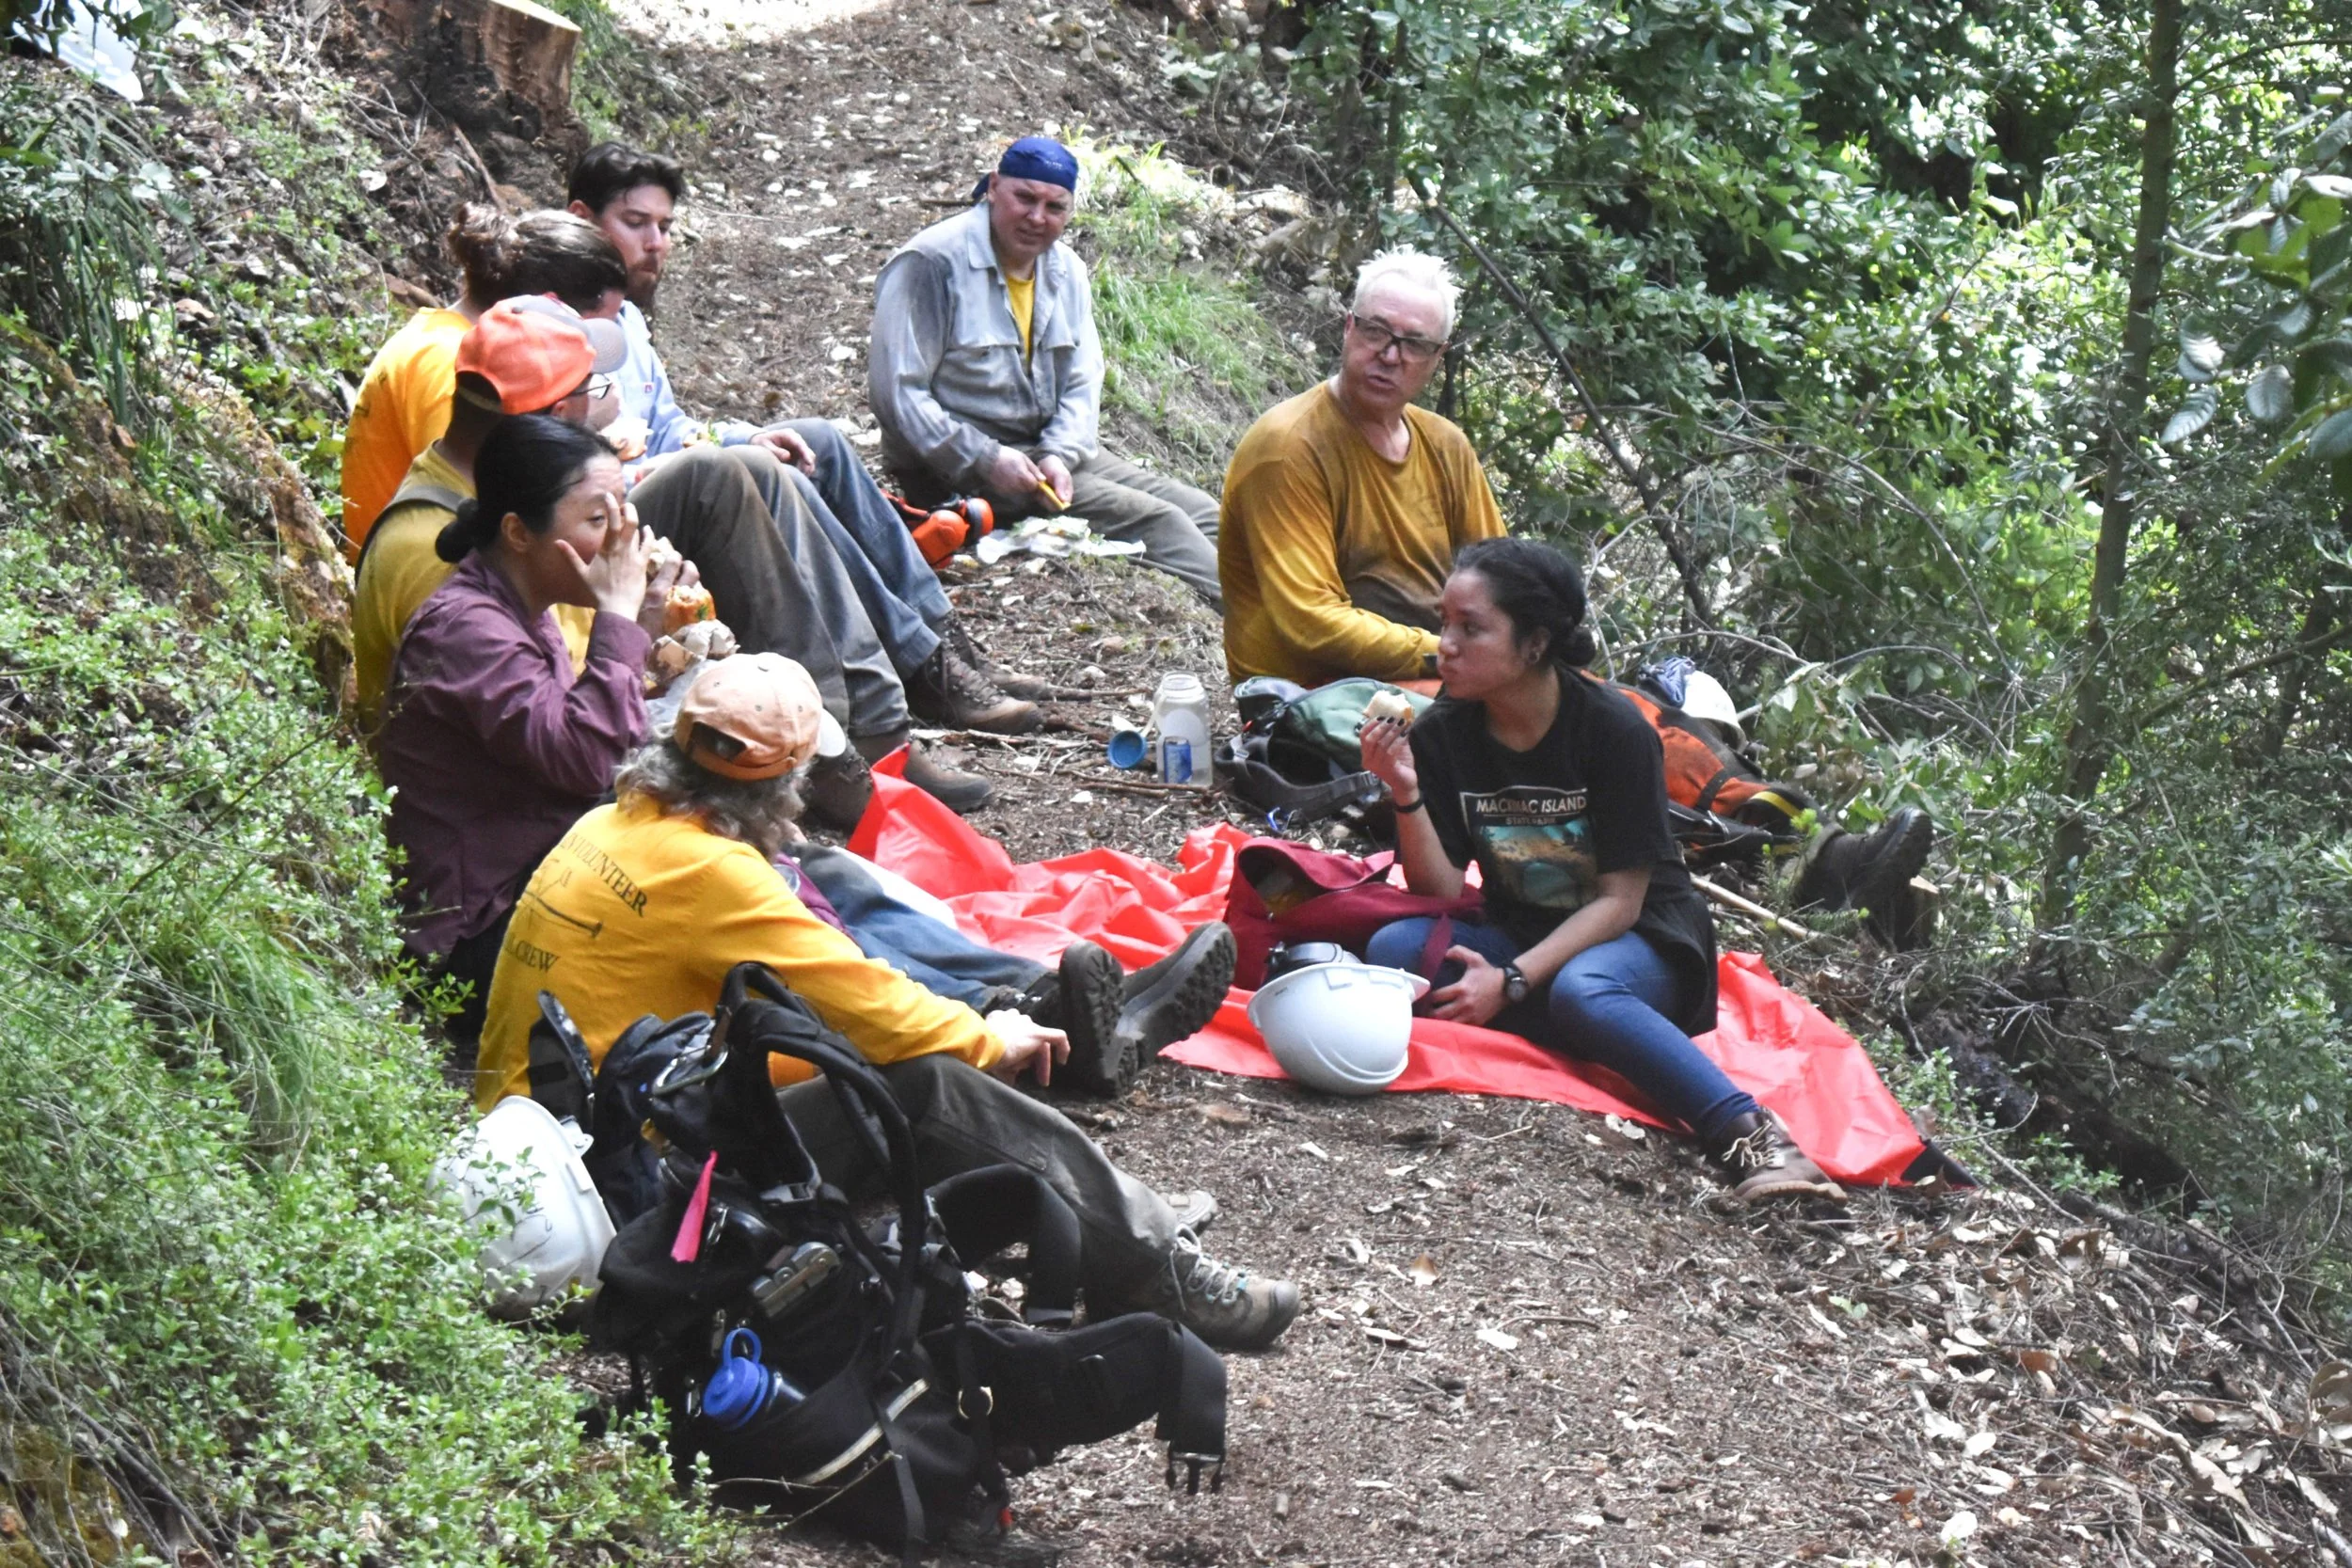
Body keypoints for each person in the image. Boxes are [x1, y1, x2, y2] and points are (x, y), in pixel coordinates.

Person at [474, 653, 1297, 1349]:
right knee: (931, 1088)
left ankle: (1101, 1204)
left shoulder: (609, 825)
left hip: (543, 1160)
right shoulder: (711, 872)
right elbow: (865, 1003)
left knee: (884, 1064)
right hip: (626, 1189)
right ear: (785, 786)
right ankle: (1153, 1264)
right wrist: (984, 1034)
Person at [354, 296, 991, 818]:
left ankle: (860, 742)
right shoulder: (434, 557)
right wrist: (643, 633)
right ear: (551, 417)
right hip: (531, 796)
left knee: (725, 471)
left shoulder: (517, 494)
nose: (606, 404)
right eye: (593, 391)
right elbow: (560, 743)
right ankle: (809, 756)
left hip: (581, 705)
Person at [1356, 538, 1844, 1204]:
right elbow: (1439, 891)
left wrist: (1512, 981)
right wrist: (1403, 790)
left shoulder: (1612, 729)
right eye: (1444, 622)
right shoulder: (1445, 731)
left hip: (1644, 939)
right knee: (1394, 953)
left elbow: (1620, 901)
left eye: (1472, 627)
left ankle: (1751, 1134)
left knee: (1581, 991)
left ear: (1533, 644)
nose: (1446, 643)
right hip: (1524, 931)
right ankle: (1606, 1032)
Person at [566, 143, 1048, 739]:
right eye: (635, 224)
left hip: (660, 479)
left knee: (815, 440)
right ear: (583, 219)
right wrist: (715, 455)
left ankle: (945, 643)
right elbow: (585, 474)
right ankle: (903, 683)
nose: (655, 243)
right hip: (609, 524)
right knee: (767, 474)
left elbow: (666, 423)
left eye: (664, 226)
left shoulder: (625, 320)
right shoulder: (550, 331)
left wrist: (749, 434)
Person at [375, 415, 673, 1042]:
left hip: (531, 874)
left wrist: (640, 621)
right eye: (598, 520)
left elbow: (594, 749)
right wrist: (619, 621)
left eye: (621, 517)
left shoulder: (523, 607)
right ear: (518, 531)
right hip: (468, 940)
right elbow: (583, 762)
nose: (620, 540)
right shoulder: (465, 628)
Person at [871, 135, 1224, 605]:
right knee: (1162, 522)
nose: (1037, 218)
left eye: (1054, 206)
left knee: (1209, 515)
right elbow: (898, 396)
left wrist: (1060, 452)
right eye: (1025, 198)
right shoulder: (932, 263)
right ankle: (1259, 634)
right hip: (951, 467)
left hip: (1044, 452)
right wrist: (987, 460)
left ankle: (1303, 610)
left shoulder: (1066, 271)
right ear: (994, 187)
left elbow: (1083, 379)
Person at [1219, 247, 1504, 689]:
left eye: (1414, 343)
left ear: (1436, 356)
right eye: (1376, 331)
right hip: (1311, 693)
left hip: (1431, 669)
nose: (1390, 356)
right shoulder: (1288, 448)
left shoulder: (1446, 445)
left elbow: (1502, 582)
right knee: (1516, 733)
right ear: (1349, 328)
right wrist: (1450, 654)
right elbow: (1312, 625)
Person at [342, 206, 628, 558]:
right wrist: (582, 425)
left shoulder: (449, 338)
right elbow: (477, 506)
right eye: (590, 330)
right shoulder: (452, 364)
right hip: (431, 569)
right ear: (546, 310)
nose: (589, 355)